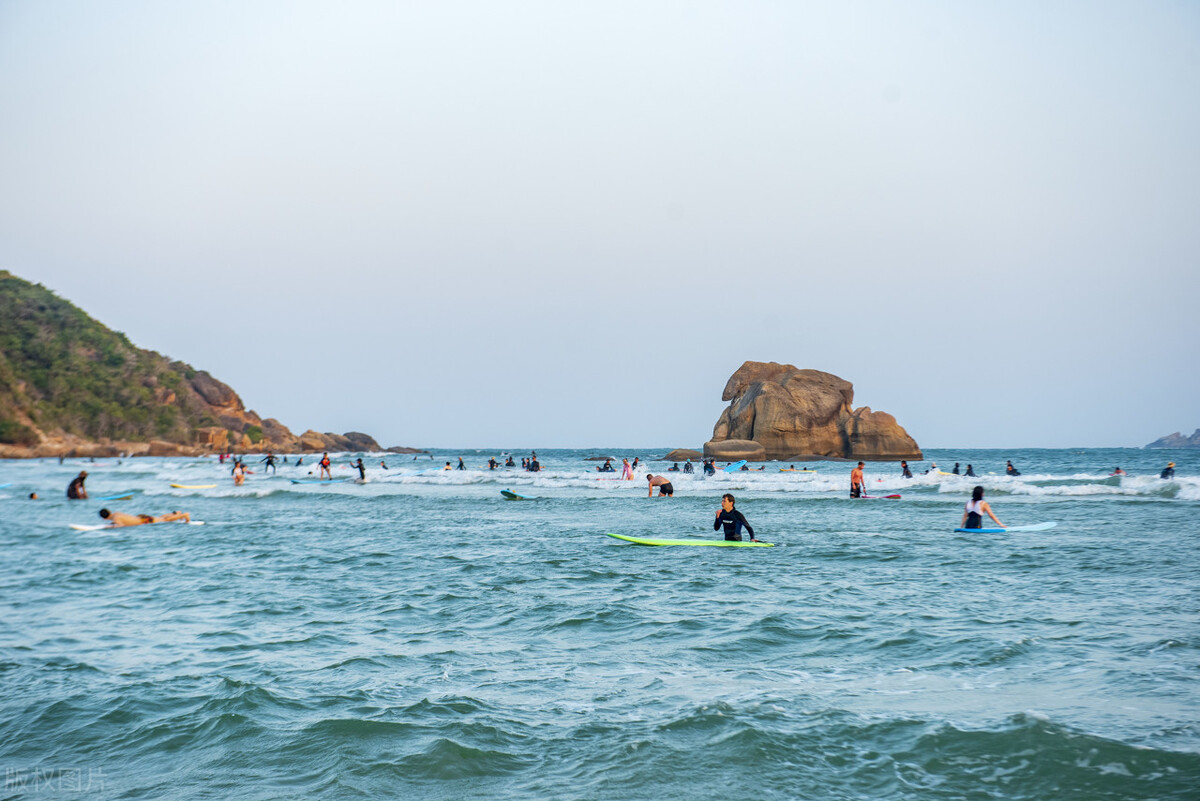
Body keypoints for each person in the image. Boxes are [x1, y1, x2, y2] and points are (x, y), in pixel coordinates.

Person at [99, 508, 191, 527]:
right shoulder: (116, 513)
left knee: (165, 520)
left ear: (104, 518)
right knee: (160, 518)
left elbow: (120, 524)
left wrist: (109, 527)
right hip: (140, 518)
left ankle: (184, 515)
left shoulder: (115, 519)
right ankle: (175, 513)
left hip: (143, 521)